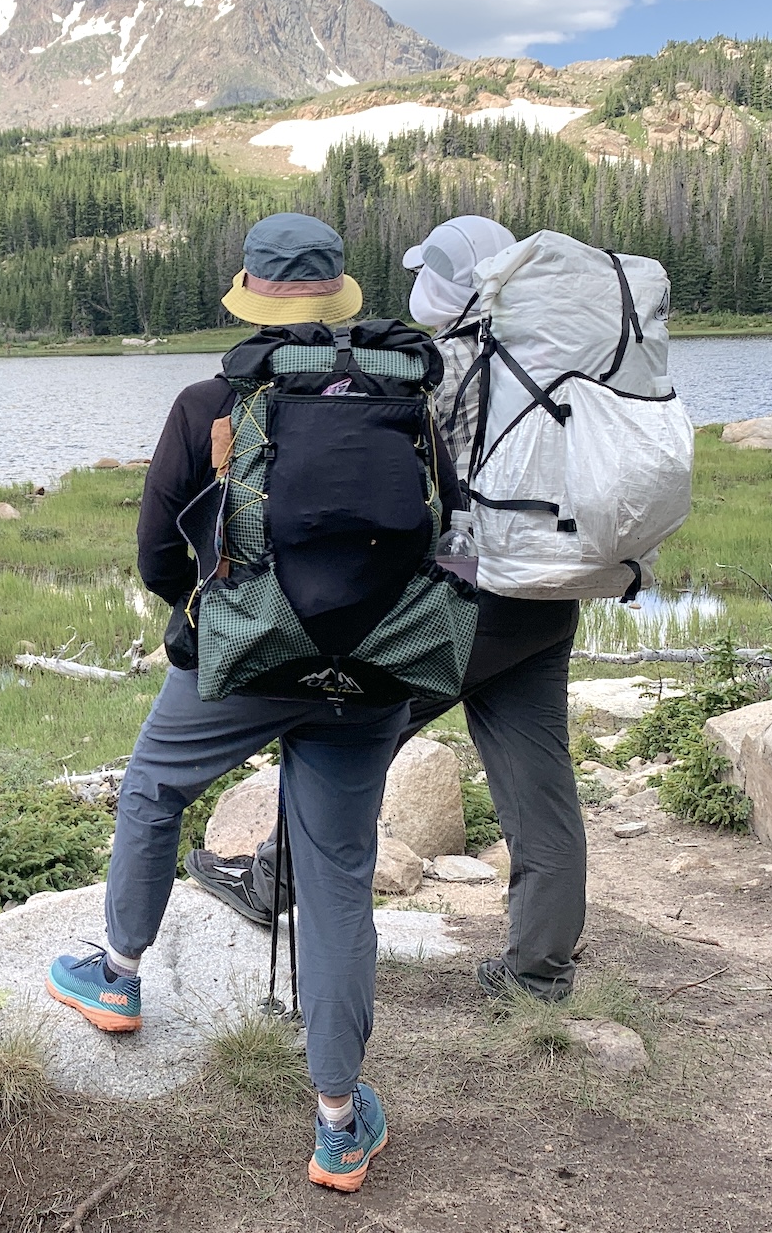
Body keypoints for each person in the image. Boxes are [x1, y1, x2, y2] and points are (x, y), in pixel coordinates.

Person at [46, 212, 460, 1193]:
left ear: (252, 294)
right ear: (337, 298)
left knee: (153, 788)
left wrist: (215, 622)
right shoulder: (406, 399)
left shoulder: (211, 399)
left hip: (238, 659)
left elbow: (157, 550)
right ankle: (335, 1121)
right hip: (373, 671)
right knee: (336, 879)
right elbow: (443, 523)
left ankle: (117, 974)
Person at [186, 215, 588, 1003]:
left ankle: (269, 885)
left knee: (342, 728)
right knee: (543, 784)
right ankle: (540, 972)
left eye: (427, 272)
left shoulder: (451, 366)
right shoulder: (553, 357)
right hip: (549, 597)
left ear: (447, 280)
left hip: (468, 604)